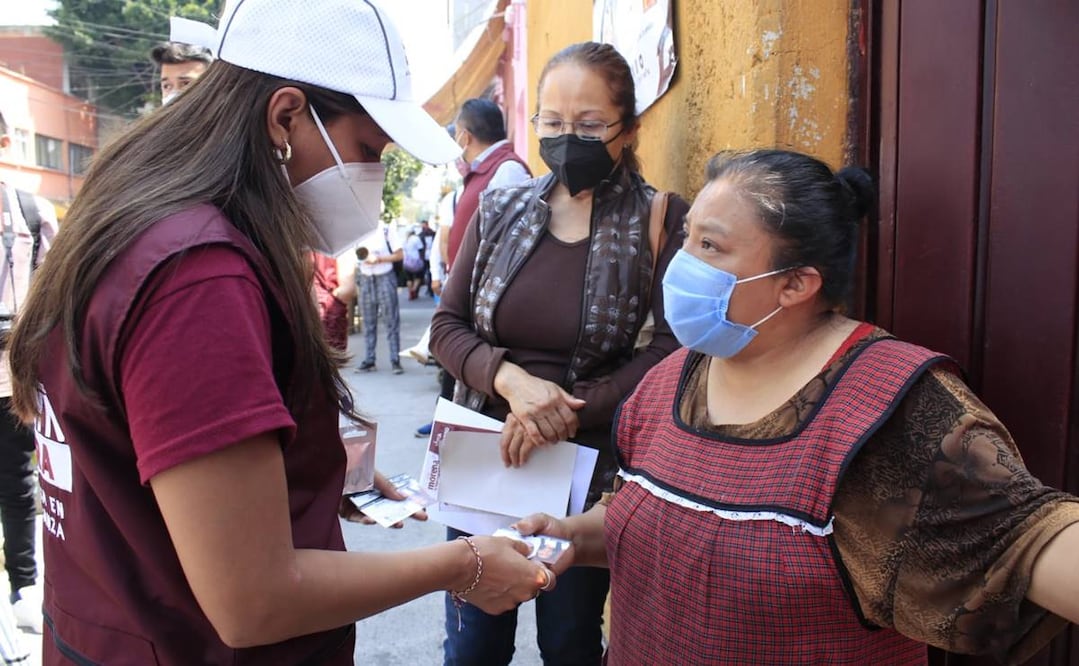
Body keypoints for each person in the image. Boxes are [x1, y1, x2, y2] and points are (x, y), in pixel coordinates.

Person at [6, 2, 555, 663]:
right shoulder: (196, 277)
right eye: (367, 151)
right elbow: (254, 598)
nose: (373, 181)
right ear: (285, 116)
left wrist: (304, 483)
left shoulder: (139, 219)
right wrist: (460, 563)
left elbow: (157, 464)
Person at [515, 149, 1079, 665]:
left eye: (710, 246)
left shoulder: (889, 413)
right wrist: (570, 535)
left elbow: (1035, 547)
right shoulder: (669, 378)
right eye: (687, 239)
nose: (681, 264)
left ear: (795, 284)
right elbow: (642, 518)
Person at [429, 42, 689, 666]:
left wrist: (566, 412)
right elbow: (447, 326)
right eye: (552, 122)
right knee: (471, 645)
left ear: (628, 129)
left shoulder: (659, 219)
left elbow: (671, 350)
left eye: (590, 124)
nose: (568, 137)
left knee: (569, 641)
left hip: (590, 474)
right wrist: (513, 383)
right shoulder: (500, 208)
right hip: (487, 458)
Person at [413, 99, 532, 439]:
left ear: (464, 136)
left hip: (487, 297)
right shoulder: (483, 170)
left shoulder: (507, 170)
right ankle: (446, 425)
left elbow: (514, 243)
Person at [0, 109, 58, 638]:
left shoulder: (30, 210)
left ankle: (24, 585)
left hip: (8, 373)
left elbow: (55, 289)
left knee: (19, 486)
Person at [356, 220, 405, 374]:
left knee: (391, 320)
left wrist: (379, 259)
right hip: (365, 277)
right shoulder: (358, 229)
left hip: (384, 276)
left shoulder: (385, 228)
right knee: (368, 322)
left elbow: (400, 254)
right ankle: (370, 359)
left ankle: (395, 359)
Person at [312, 250, 357, 351]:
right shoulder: (338, 241)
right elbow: (348, 289)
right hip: (327, 315)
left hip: (318, 313)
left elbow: (347, 289)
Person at [402, 228, 426, 301]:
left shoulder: (404, 240)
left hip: (406, 261)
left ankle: (410, 291)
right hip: (416, 261)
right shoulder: (416, 238)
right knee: (418, 277)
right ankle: (414, 290)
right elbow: (421, 248)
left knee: (409, 278)